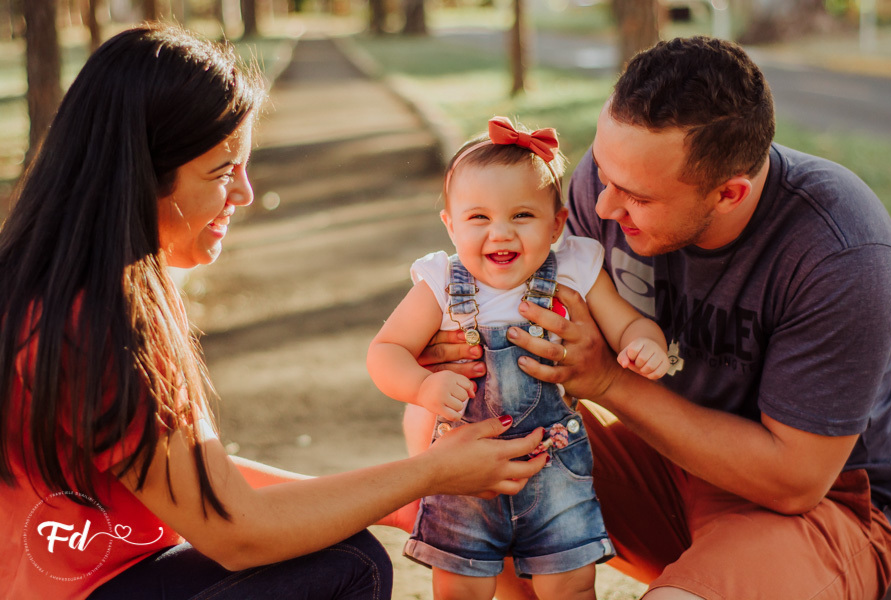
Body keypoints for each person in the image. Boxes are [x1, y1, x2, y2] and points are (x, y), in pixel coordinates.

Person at [0, 24, 548, 600]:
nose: (245, 194)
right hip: (87, 586)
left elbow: (205, 481)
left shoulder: (72, 286)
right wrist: (433, 473)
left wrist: (404, 502)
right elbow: (234, 532)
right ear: (140, 176)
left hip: (91, 576)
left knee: (341, 544)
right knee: (348, 567)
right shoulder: (96, 323)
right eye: (221, 172)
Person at [420, 37, 891, 599]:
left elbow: (794, 482)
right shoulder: (606, 190)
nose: (600, 207)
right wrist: (465, 347)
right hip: (667, 466)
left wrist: (605, 380)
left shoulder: (839, 250)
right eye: (601, 172)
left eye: (636, 197)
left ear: (729, 193)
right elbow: (552, 323)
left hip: (824, 507)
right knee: (445, 425)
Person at [368, 116, 669, 599]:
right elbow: (386, 351)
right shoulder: (440, 283)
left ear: (556, 224)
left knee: (569, 585)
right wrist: (422, 386)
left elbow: (627, 322)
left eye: (521, 216)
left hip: (554, 467)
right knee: (460, 588)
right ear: (450, 224)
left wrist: (643, 342)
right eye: (479, 218)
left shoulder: (575, 267)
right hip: (462, 471)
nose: (500, 233)